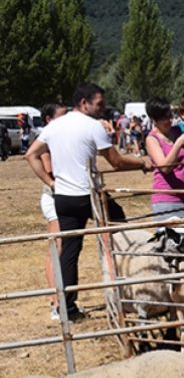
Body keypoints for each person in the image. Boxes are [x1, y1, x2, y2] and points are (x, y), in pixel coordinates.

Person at [26, 83, 147, 321]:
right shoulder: (93, 127)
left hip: (64, 197)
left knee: (70, 251)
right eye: (99, 103)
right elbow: (116, 162)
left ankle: (66, 308)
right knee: (122, 233)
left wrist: (51, 184)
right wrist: (142, 163)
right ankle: (130, 288)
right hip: (89, 195)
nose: (102, 108)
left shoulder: (55, 126)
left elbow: (30, 154)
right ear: (84, 103)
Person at [144, 96, 184, 221]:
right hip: (168, 199)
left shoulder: (177, 131)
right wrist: (178, 144)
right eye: (164, 117)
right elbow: (165, 168)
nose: (169, 120)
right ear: (153, 119)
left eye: (170, 115)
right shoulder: (152, 139)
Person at [37, 103, 67, 319]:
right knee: (56, 250)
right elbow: (50, 169)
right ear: (49, 119)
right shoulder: (46, 141)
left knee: (63, 249)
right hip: (54, 197)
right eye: (62, 116)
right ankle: (55, 302)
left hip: (65, 197)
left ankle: (64, 299)